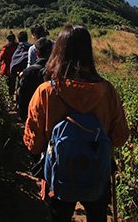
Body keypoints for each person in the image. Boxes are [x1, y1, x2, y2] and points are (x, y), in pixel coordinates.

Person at [24, 25, 129, 221]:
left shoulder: (46, 91)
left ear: (59, 50)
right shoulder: (107, 91)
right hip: (97, 173)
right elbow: (120, 137)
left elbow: (34, 142)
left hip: (58, 176)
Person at [17, 37, 52, 122]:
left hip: (33, 114)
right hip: (51, 116)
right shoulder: (57, 71)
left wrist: (24, 117)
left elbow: (22, 97)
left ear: (37, 53)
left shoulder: (28, 72)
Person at [8, 31, 32, 100]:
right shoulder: (31, 47)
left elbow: (14, 60)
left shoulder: (18, 47)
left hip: (18, 71)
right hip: (28, 71)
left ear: (18, 39)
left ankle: (15, 101)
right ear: (27, 38)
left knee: (16, 86)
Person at [0, 32, 18, 97]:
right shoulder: (17, 46)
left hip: (6, 68)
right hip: (15, 68)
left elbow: (1, 58)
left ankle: (7, 98)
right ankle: (11, 97)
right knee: (12, 84)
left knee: (6, 85)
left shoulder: (6, 47)